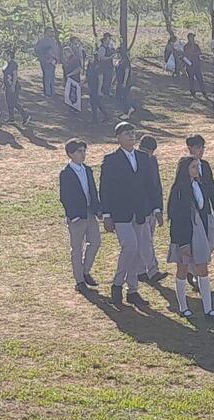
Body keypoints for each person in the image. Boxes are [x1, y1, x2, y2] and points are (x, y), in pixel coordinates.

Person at [99, 122, 163, 308]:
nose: (131, 136)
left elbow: (151, 185)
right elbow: (105, 188)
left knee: (137, 250)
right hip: (121, 213)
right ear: (118, 137)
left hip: (141, 211)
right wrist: (107, 214)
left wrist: (157, 209)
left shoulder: (144, 158)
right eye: (127, 133)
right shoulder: (111, 160)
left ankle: (132, 290)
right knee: (130, 247)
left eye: (133, 133)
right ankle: (118, 283)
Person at [167, 156, 214, 317]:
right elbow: (176, 218)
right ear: (185, 170)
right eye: (193, 167)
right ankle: (183, 307)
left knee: (202, 269)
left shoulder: (201, 185)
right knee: (182, 268)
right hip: (184, 235)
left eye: (198, 166)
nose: (197, 169)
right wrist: (183, 243)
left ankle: (208, 308)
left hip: (199, 233)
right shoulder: (179, 189)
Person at [59, 139, 102, 292]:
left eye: (84, 151)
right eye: (79, 151)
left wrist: (98, 209)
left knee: (95, 242)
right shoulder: (66, 173)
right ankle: (79, 280)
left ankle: (85, 271)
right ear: (70, 154)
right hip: (77, 216)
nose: (83, 154)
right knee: (77, 249)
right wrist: (73, 215)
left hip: (89, 212)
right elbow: (65, 196)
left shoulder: (87, 170)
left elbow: (92, 191)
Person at [136, 135, 168, 285]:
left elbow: (156, 185)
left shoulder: (152, 161)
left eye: (151, 152)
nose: (149, 155)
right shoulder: (135, 160)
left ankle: (140, 270)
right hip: (139, 208)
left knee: (146, 240)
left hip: (151, 207)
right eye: (147, 151)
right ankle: (152, 270)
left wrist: (158, 208)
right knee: (145, 241)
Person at [1, 50, 31, 126]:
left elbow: (15, 75)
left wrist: (13, 85)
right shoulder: (6, 64)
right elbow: (5, 76)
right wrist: (4, 84)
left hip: (13, 86)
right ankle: (11, 118)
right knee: (9, 102)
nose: (3, 55)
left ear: (8, 55)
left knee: (14, 102)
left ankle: (25, 115)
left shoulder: (13, 64)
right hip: (8, 86)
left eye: (4, 54)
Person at [35, 29, 58, 97]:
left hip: (53, 61)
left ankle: (52, 91)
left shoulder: (53, 41)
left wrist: (56, 58)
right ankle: (47, 92)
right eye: (50, 31)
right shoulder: (42, 41)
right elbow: (37, 50)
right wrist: (43, 57)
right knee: (47, 76)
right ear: (46, 33)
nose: (51, 33)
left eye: (52, 31)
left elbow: (56, 50)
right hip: (46, 61)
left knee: (52, 77)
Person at [183, 32, 208, 99]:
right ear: (189, 38)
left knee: (200, 78)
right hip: (190, 65)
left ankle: (203, 92)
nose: (193, 38)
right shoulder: (186, 46)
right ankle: (192, 91)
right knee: (191, 79)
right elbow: (187, 55)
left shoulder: (196, 45)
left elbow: (199, 52)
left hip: (197, 64)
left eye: (193, 37)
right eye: (191, 37)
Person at [86, 55, 109, 123]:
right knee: (93, 102)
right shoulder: (89, 66)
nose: (90, 59)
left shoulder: (98, 66)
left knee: (97, 102)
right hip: (91, 86)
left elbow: (100, 78)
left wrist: (99, 89)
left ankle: (104, 115)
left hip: (96, 87)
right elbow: (87, 76)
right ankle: (95, 118)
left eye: (92, 58)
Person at [116, 51, 135, 120]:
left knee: (125, 96)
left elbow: (126, 73)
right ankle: (129, 108)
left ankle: (127, 112)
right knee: (119, 96)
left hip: (125, 83)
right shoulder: (119, 61)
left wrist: (124, 82)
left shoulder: (125, 62)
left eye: (118, 53)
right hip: (119, 82)